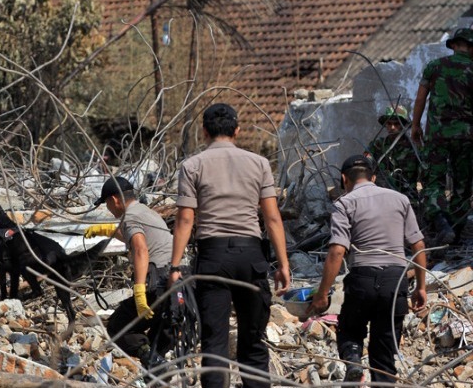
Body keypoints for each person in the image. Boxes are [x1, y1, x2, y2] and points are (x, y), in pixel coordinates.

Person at [168, 103, 290, 388]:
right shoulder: (259, 163)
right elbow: (272, 218)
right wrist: (283, 263)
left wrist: (175, 266)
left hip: (213, 259)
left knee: (214, 344)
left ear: (204, 131)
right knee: (253, 341)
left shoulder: (192, 165)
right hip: (251, 257)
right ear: (237, 130)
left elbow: (186, 219)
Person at [309, 155, 427, 384]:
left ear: (344, 179)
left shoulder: (344, 203)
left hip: (362, 278)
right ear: (373, 177)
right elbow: (419, 245)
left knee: (349, 330)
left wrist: (322, 294)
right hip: (395, 280)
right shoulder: (400, 199)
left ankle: (353, 358)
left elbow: (337, 251)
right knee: (384, 355)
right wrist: (421, 287)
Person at [84, 176, 173, 376]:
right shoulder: (146, 212)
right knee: (158, 339)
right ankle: (159, 374)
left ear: (114, 200)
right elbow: (135, 237)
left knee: (118, 327)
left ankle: (153, 362)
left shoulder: (130, 216)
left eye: (106, 203)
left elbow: (141, 249)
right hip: (177, 283)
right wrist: (106, 230)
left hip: (156, 283)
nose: (108, 208)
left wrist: (139, 291)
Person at [411, 28, 473, 245]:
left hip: (436, 136)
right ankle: (455, 231)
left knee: (433, 183)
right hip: (466, 137)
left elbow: (420, 99)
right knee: (463, 186)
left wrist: (416, 125)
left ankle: (441, 221)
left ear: (454, 45)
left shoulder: (435, 66)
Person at [364, 105, 420, 208]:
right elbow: (365, 163)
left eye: (396, 123)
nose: (392, 127)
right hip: (382, 198)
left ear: (403, 124)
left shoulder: (414, 147)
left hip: (408, 199)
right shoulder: (378, 145)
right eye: (389, 124)